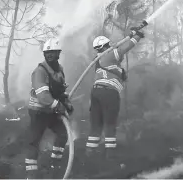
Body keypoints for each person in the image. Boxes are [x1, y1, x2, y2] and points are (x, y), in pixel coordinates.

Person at [85, 27, 145, 160]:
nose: (111, 46)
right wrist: (137, 36)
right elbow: (124, 48)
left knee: (96, 125)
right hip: (109, 93)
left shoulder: (99, 61)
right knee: (109, 123)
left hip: (96, 93)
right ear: (105, 46)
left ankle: (90, 154)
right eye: (109, 45)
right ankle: (110, 155)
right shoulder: (108, 55)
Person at [25, 37, 74, 179]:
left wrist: (66, 103)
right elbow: (43, 96)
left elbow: (60, 91)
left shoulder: (59, 70)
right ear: (44, 54)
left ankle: (54, 165)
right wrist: (58, 106)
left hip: (51, 111)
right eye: (47, 53)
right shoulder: (40, 71)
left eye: (53, 52)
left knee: (63, 134)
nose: (50, 55)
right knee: (34, 141)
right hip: (38, 111)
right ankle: (31, 174)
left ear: (59, 53)